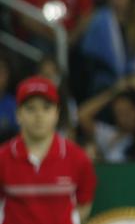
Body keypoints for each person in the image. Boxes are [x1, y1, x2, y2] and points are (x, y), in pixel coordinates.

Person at [0, 76, 97, 224]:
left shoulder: (78, 158)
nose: (39, 115)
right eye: (30, 108)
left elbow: (85, 201)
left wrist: (71, 220)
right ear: (18, 114)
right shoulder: (2, 158)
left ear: (56, 113)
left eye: (46, 107)